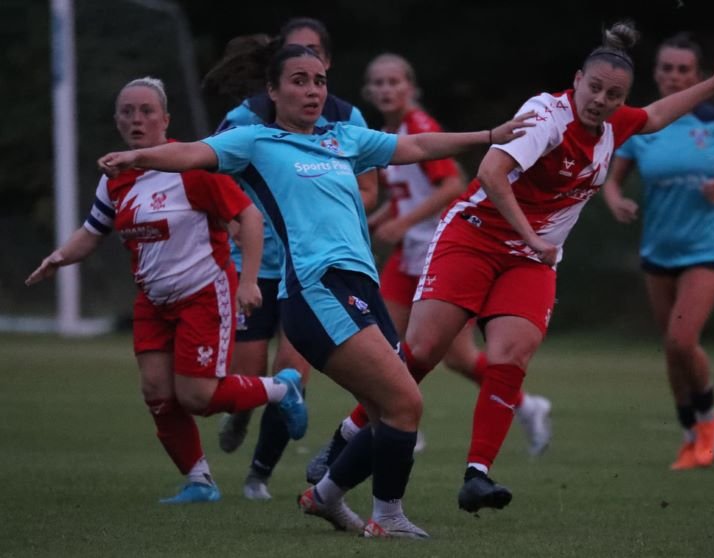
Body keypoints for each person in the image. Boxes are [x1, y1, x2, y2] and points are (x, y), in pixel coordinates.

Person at [97, 46, 534, 538]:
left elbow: (416, 147)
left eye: (319, 81)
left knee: (384, 411)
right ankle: (387, 516)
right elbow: (193, 152)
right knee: (404, 404)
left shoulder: (341, 138)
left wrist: (491, 136)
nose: (312, 91)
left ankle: (324, 497)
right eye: (299, 81)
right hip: (316, 289)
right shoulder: (255, 142)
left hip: (360, 287)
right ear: (273, 90)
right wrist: (139, 156)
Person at [392, 21, 714, 514]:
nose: (601, 99)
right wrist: (533, 236)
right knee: (424, 350)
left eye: (613, 94)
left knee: (510, 354)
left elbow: (658, 113)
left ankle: (478, 475)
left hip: (531, 258)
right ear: (577, 80)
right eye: (594, 87)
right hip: (480, 236)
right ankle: (346, 440)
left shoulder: (617, 125)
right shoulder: (546, 115)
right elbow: (491, 174)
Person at [25, 77, 308, 504]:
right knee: (157, 392)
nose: (136, 119)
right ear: (117, 121)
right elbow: (92, 231)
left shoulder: (190, 167)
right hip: (153, 301)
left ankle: (282, 389)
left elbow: (248, 218)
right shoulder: (114, 180)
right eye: (127, 111)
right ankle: (200, 482)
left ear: (165, 119)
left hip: (203, 293)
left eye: (146, 111)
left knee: (196, 397)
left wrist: (248, 280)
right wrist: (59, 257)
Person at [305, 53, 552, 483]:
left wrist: (402, 221)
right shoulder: (390, 132)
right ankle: (397, 421)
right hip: (408, 256)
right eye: (377, 83)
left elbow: (453, 183)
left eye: (393, 81)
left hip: (443, 253)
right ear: (368, 91)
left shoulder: (419, 126)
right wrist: (382, 220)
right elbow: (405, 197)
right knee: (391, 347)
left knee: (436, 355)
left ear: (410, 87)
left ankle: (404, 421)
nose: (385, 89)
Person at [201, 17, 381, 501]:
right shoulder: (246, 119)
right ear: (277, 73)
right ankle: (240, 410)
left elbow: (367, 188)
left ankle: (259, 474)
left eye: (315, 55)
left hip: (314, 268)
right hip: (253, 262)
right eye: (296, 55)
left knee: (293, 375)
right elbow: (216, 176)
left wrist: (317, 203)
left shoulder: (347, 120)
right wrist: (235, 221)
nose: (307, 65)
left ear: (328, 62)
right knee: (251, 367)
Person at [602, 33, 714, 471]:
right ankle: (689, 436)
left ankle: (708, 420)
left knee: (681, 339)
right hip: (658, 249)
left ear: (697, 74)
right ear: (656, 73)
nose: (674, 76)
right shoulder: (643, 123)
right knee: (671, 351)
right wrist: (616, 201)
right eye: (667, 68)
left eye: (683, 69)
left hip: (706, 246)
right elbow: (612, 179)